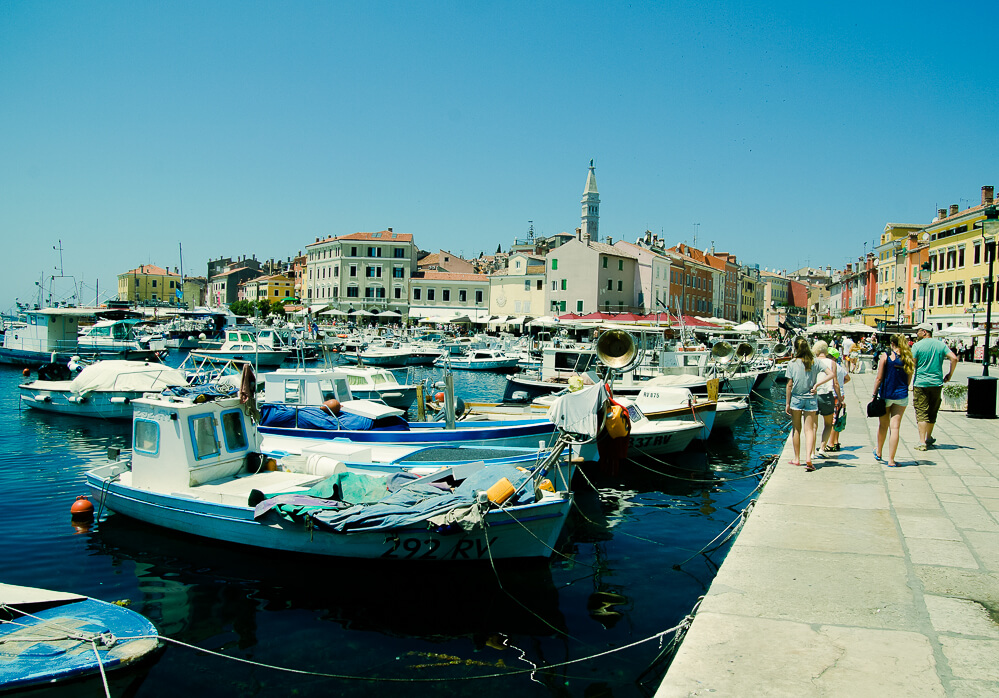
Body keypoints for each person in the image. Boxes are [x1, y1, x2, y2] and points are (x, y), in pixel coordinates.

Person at [785, 336, 833, 472]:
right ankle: (809, 458)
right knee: (809, 429)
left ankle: (796, 458)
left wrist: (787, 403)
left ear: (795, 348)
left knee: (796, 429)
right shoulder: (815, 362)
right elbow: (831, 374)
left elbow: (789, 385)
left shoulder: (792, 363)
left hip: (796, 399)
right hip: (811, 398)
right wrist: (817, 384)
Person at [911, 322, 958, 450]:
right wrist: (949, 375)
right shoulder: (941, 345)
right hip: (936, 383)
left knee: (921, 411)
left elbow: (912, 365)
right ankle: (928, 437)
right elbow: (954, 358)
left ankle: (921, 442)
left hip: (920, 383)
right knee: (932, 410)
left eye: (918, 331)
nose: (917, 333)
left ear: (925, 332)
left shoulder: (916, 346)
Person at [871, 334, 915, 467]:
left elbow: (879, 378)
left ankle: (878, 451)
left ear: (892, 343)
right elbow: (908, 380)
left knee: (883, 425)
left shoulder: (886, 356)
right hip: (901, 396)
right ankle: (891, 460)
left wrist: (874, 394)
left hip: (886, 394)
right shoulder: (908, 357)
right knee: (895, 427)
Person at [810, 340, 841, 459]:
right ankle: (822, 448)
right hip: (827, 395)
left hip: (814, 395)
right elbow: (836, 383)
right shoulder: (831, 362)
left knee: (813, 426)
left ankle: (812, 452)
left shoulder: (812, 362)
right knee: (828, 424)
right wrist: (839, 398)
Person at [826, 348, 850, 452]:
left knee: (832, 420)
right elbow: (848, 378)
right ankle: (835, 441)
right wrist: (841, 385)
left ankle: (830, 444)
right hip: (841, 394)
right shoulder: (840, 368)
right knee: (837, 419)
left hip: (834, 394)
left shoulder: (831, 367)